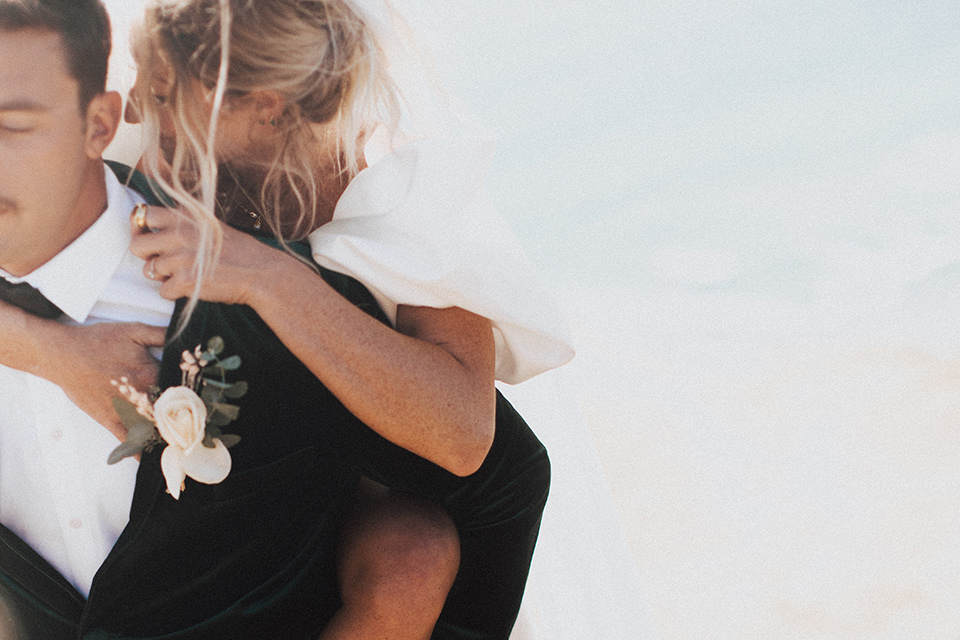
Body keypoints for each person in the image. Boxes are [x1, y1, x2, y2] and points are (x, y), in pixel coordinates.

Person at [0, 1, 569, 638]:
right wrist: (51, 352)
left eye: (160, 91)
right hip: (249, 509)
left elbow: (465, 440)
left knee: (413, 552)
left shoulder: (404, 209)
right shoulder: (160, 161)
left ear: (264, 107)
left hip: (396, 496)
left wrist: (265, 277)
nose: (133, 108)